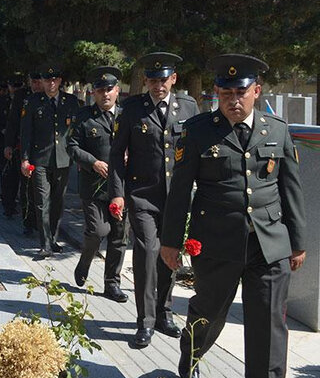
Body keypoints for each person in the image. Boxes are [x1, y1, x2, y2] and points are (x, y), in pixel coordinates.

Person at [161, 54, 306, 378]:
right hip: (216, 244)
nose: (233, 100)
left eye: (240, 92)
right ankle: (191, 354)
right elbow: (179, 191)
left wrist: (297, 243)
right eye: (225, 93)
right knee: (208, 315)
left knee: (268, 327)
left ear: (256, 91)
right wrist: (170, 242)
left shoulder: (278, 131)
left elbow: (291, 191)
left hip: (268, 245)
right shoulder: (197, 132)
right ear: (216, 93)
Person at [108, 52, 199, 347]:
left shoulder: (188, 106)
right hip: (143, 195)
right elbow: (117, 157)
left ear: (173, 79)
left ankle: (164, 312)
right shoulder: (133, 109)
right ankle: (144, 321)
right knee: (147, 253)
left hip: (175, 198)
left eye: (164, 80)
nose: (158, 85)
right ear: (146, 81)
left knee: (169, 255)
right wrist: (119, 193)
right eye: (153, 80)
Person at [67, 67, 128, 302]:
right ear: (94, 93)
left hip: (121, 187)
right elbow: (71, 146)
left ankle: (112, 284)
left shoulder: (126, 117)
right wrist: (92, 162)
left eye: (109, 90)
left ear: (117, 91)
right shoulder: (84, 117)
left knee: (119, 236)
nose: (105, 94)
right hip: (93, 186)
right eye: (100, 90)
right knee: (98, 231)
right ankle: (85, 262)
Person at [20, 67, 80, 256]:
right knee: (41, 202)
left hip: (63, 159)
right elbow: (26, 133)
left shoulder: (70, 102)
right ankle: (45, 243)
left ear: (60, 81)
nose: (51, 84)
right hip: (40, 160)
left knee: (57, 201)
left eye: (54, 80)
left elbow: (76, 132)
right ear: (43, 82)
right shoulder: (32, 102)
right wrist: (25, 158)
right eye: (47, 80)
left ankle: (53, 238)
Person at [2, 76, 29, 220]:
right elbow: (12, 123)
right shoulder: (20, 97)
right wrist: (9, 145)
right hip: (19, 147)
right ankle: (11, 208)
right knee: (13, 180)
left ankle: (32, 219)